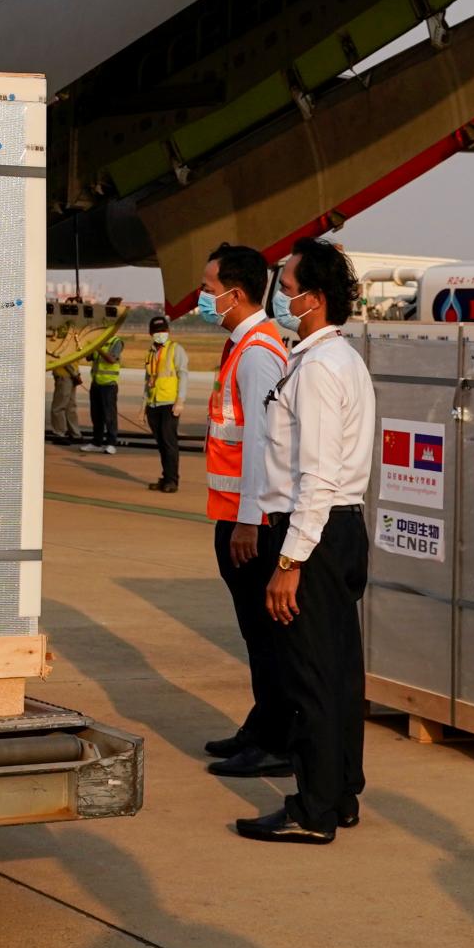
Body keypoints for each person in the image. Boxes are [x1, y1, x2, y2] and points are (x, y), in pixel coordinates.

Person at [237, 237, 375, 845]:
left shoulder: (318, 369)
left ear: (316, 299)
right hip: (339, 527)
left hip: (313, 533)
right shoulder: (338, 358)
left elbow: (315, 475)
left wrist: (290, 560)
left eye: (288, 290)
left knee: (311, 678)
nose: (281, 299)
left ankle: (314, 809)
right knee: (340, 672)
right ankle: (340, 791)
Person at [198, 247, 291, 778]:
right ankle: (261, 725)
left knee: (265, 634)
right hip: (234, 514)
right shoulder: (242, 347)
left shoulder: (257, 352)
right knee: (254, 632)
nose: (205, 298)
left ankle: (276, 739)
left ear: (236, 293)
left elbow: (262, 444)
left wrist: (249, 520)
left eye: (210, 289)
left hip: (247, 523)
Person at [141, 315, 187, 492]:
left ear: (168, 332)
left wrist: (180, 401)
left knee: (169, 443)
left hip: (169, 403)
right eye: (156, 332)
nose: (159, 334)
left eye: (162, 331)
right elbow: (148, 379)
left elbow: (183, 375)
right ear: (150, 334)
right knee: (161, 444)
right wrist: (143, 405)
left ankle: (172, 480)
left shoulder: (176, 350)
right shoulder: (150, 352)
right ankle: (165, 476)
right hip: (153, 404)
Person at [79, 324, 125, 455]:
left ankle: (111, 443)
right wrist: (87, 346)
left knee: (109, 415)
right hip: (96, 383)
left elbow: (111, 359)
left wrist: (97, 348)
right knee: (96, 415)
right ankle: (96, 442)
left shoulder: (116, 342)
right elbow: (89, 357)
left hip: (109, 385)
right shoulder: (99, 342)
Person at [45, 328, 85, 445]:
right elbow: (65, 358)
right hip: (64, 375)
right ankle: (59, 433)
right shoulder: (65, 339)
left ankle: (74, 433)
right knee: (60, 406)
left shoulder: (72, 338)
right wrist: (75, 374)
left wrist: (76, 374)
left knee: (70, 407)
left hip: (71, 376)